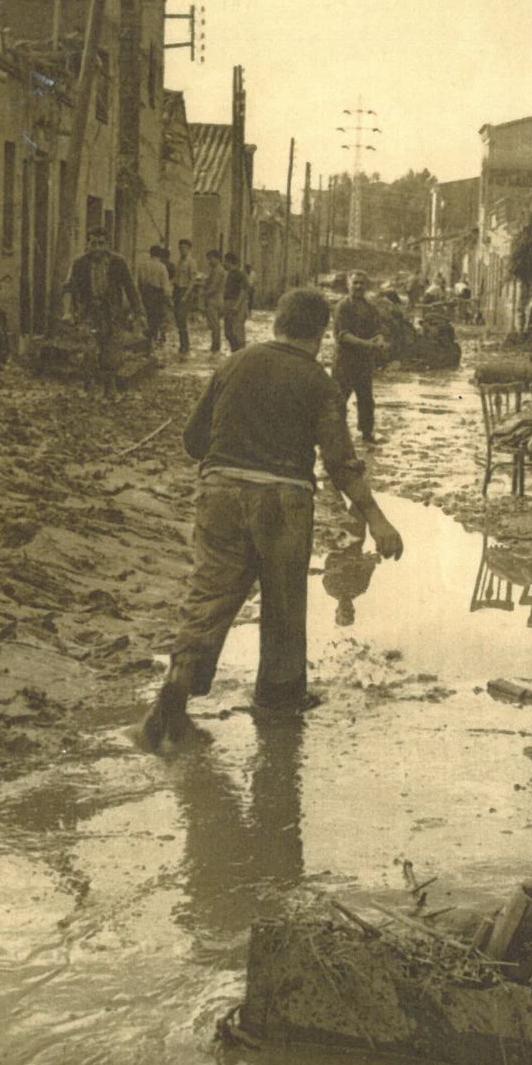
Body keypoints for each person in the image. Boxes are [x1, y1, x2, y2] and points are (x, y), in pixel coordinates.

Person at [141, 287, 405, 746]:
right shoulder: (319, 381)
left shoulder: (234, 362)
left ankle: (177, 688)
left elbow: (192, 440)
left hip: (220, 492)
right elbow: (340, 462)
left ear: (278, 323)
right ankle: (278, 716)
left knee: (209, 594)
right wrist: (377, 520)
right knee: (283, 605)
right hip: (284, 501)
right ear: (321, 335)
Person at [64, 228, 141, 399]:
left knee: (111, 352)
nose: (97, 247)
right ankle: (89, 385)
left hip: (111, 313)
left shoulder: (118, 262)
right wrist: (68, 311)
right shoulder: (79, 263)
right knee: (89, 349)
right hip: (88, 313)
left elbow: (130, 287)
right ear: (88, 244)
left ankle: (110, 385)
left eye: (101, 243)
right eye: (93, 243)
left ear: (107, 245)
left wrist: (138, 311)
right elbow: (69, 288)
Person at [332, 272, 387, 443]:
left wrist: (379, 339)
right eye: (355, 283)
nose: (358, 286)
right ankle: (334, 435)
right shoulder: (342, 307)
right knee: (339, 400)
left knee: (366, 399)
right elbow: (343, 335)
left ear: (366, 286)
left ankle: (367, 433)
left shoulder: (371, 308)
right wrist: (367, 344)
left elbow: (378, 329)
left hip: (364, 361)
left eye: (362, 283)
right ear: (348, 284)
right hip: (344, 360)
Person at [138, 244, 172, 351]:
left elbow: (140, 280)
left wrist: (141, 292)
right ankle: (152, 340)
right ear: (160, 254)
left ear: (150, 253)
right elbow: (165, 284)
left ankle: (147, 341)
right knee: (155, 318)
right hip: (157, 294)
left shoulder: (143, 265)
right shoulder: (162, 267)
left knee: (147, 316)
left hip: (146, 292)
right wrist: (168, 297)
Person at [171, 239, 197, 356]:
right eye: (180, 248)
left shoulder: (191, 262)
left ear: (189, 249)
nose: (182, 250)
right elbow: (176, 278)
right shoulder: (178, 262)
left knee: (182, 317)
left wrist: (186, 295)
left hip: (185, 291)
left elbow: (192, 281)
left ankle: (185, 345)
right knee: (177, 318)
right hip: (177, 290)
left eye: (184, 248)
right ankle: (183, 343)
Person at [220, 261, 253, 350]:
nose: (223, 264)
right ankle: (234, 351)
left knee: (237, 330)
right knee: (228, 331)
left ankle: (240, 353)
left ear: (230, 261)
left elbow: (243, 291)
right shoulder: (229, 275)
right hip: (228, 303)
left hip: (237, 303)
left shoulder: (240, 275)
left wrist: (237, 306)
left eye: (225, 261)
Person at [201, 249, 227, 354]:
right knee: (215, 324)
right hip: (219, 298)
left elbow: (214, 287)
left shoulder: (217, 270)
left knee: (214, 324)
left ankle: (215, 346)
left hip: (214, 299)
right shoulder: (219, 269)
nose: (209, 261)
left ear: (216, 259)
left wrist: (203, 294)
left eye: (210, 259)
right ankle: (215, 345)